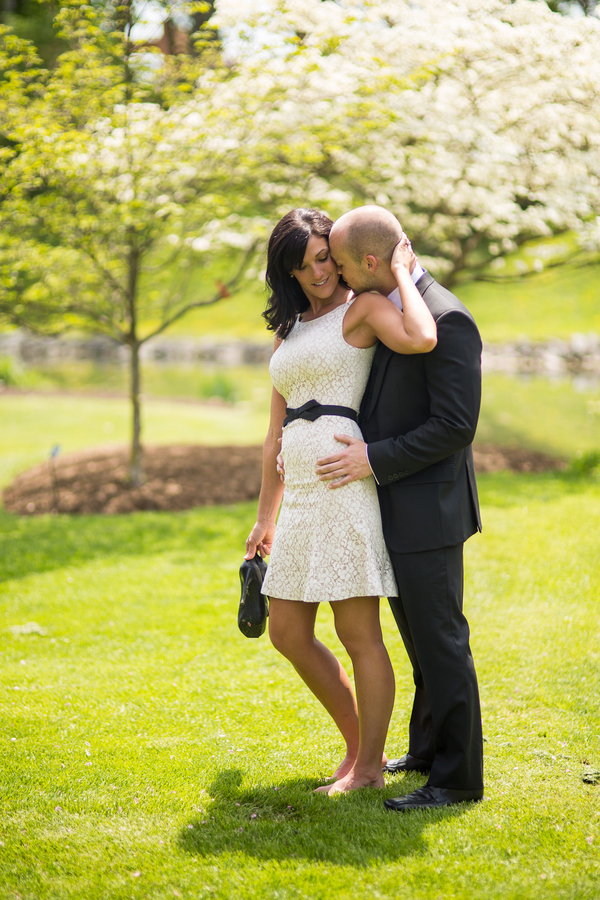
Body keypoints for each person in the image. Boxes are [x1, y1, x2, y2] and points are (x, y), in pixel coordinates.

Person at [244, 207, 437, 795]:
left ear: (339, 253)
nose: (317, 273)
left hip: (342, 483)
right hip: (298, 491)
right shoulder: (290, 330)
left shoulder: (362, 309)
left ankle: (371, 769)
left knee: (359, 635)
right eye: (302, 267)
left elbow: (423, 336)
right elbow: (273, 433)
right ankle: (359, 751)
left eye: (324, 258)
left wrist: (403, 271)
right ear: (289, 273)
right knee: (287, 633)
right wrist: (263, 519)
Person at [314, 205, 484, 811]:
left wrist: (372, 459)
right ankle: (426, 750)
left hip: (429, 511)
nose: (331, 269)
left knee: (441, 640)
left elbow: (455, 427)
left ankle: (459, 779)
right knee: (417, 640)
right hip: (394, 509)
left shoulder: (449, 319)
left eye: (337, 260)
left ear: (368, 261)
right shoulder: (394, 307)